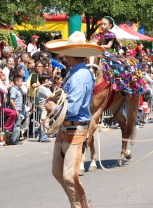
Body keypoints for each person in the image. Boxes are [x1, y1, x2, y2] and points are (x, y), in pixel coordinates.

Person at [44, 31, 103, 208]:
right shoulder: (74, 72)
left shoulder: (79, 75)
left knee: (69, 176)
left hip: (75, 128)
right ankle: (79, 200)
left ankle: (79, 204)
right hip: (67, 128)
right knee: (58, 172)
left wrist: (52, 107)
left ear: (71, 54)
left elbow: (73, 108)